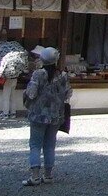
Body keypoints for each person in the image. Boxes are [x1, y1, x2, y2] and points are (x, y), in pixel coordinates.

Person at [23, 46, 72, 185]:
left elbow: (31, 93)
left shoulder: (38, 74)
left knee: (35, 144)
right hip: (56, 114)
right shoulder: (63, 75)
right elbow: (68, 94)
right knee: (50, 145)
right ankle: (48, 175)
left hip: (38, 114)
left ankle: (35, 176)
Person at [0, 45, 29, 120]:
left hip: (7, 79)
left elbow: (1, 70)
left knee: (6, 97)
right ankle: (13, 113)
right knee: (13, 96)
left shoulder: (6, 58)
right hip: (15, 79)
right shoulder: (18, 59)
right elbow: (22, 69)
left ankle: (5, 114)